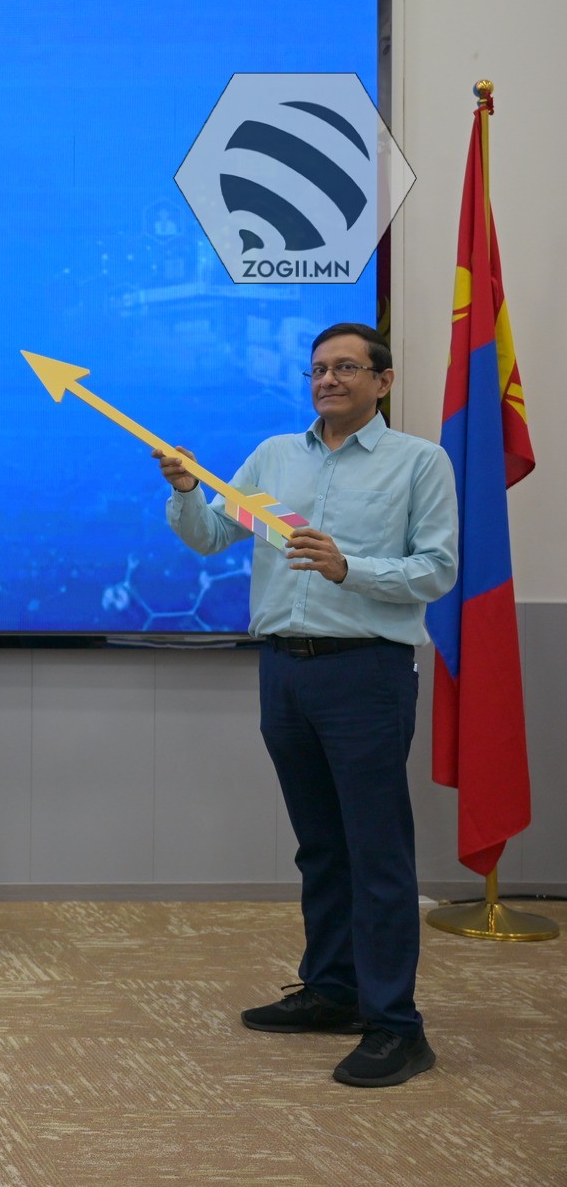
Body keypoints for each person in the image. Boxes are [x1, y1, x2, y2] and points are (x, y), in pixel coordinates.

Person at [155, 321, 456, 1088]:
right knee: (321, 846)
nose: (328, 380)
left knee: (376, 851)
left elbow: (437, 568)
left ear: (383, 380)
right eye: (319, 368)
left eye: (346, 367)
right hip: (284, 670)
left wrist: (350, 567)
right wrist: (187, 490)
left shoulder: (419, 461)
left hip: (367, 672)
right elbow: (210, 536)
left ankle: (396, 1025)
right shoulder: (274, 456)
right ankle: (333, 989)